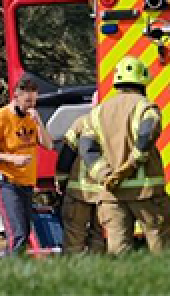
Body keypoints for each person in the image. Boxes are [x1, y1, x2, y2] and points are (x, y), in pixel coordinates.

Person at [82, 55, 170, 255]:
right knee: (161, 249)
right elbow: (146, 137)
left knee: (118, 252)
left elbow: (88, 149)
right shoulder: (145, 107)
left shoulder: (98, 112)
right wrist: (130, 166)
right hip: (146, 194)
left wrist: (105, 175)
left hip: (112, 196)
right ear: (142, 82)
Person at [0, 76, 54, 255]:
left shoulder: (31, 118)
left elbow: (49, 145)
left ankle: (13, 265)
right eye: (27, 101)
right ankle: (13, 271)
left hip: (26, 183)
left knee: (26, 231)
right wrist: (12, 159)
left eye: (34, 101)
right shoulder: (0, 118)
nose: (31, 105)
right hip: (6, 182)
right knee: (17, 232)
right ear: (15, 97)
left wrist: (39, 123)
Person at [56, 96, 107, 254]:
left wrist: (61, 180)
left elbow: (66, 155)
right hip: (105, 193)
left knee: (73, 241)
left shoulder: (82, 122)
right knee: (99, 241)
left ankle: (72, 277)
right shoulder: (113, 125)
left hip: (79, 192)